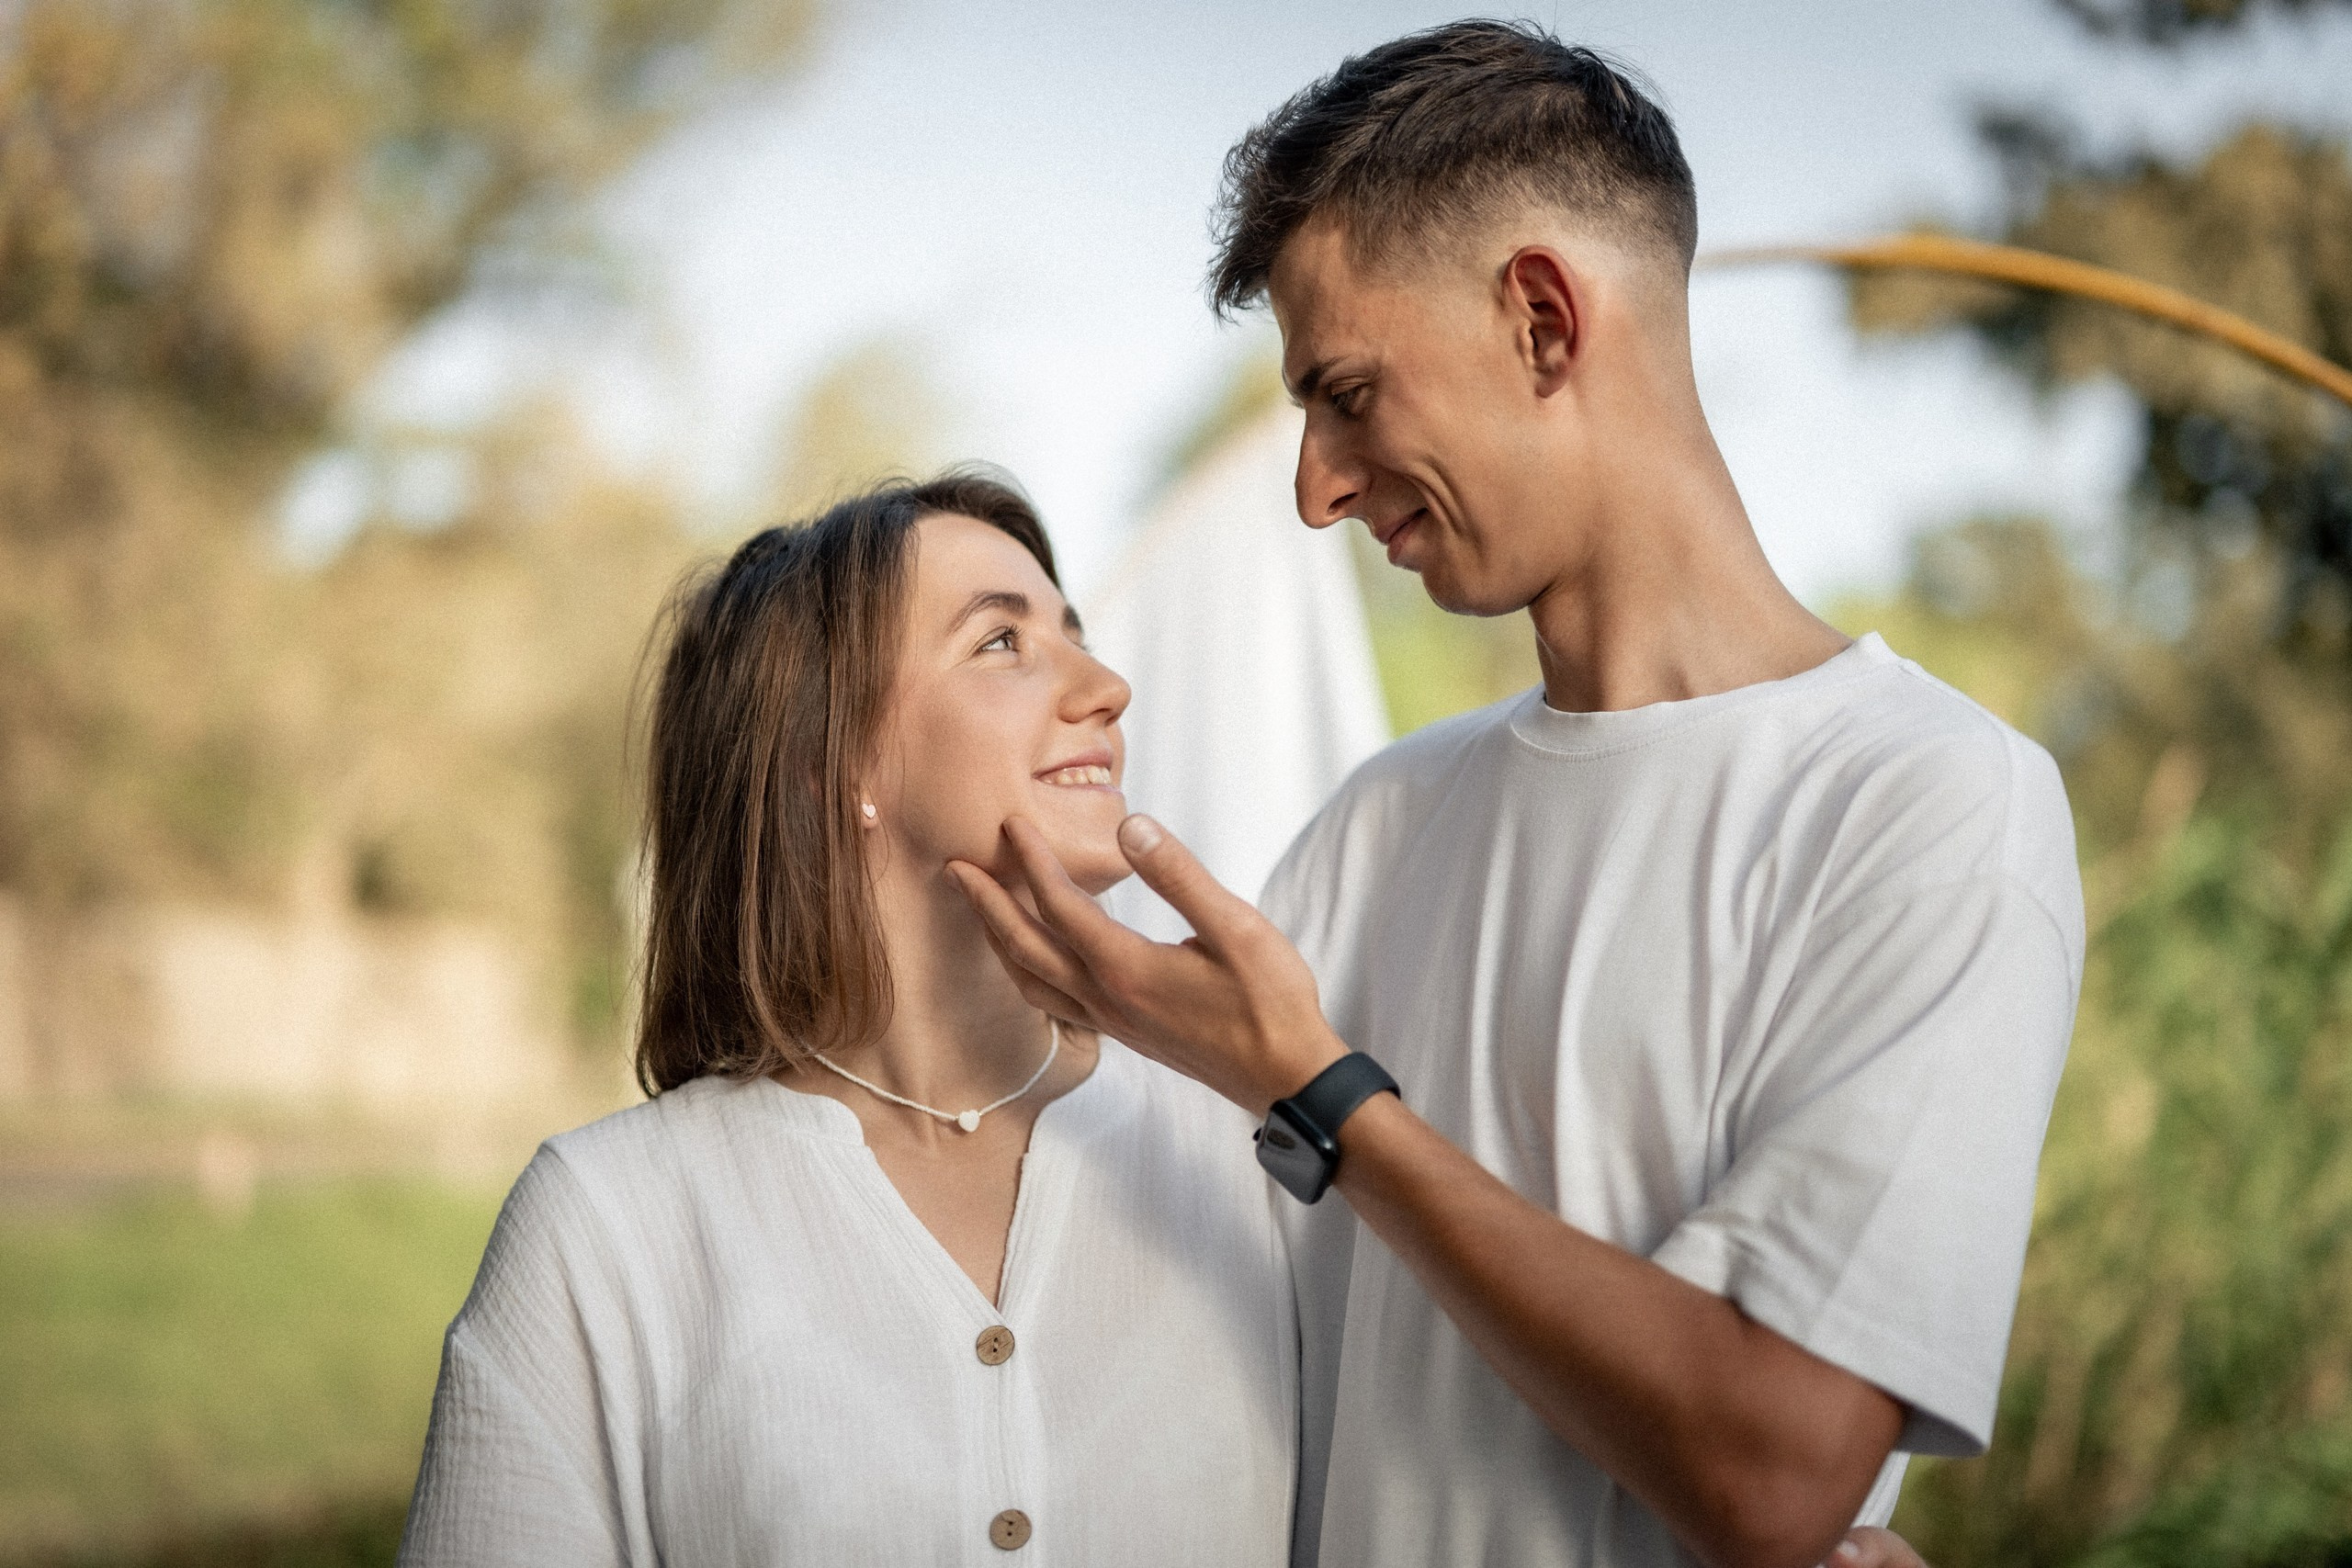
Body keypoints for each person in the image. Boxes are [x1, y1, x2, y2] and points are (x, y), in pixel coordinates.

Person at [949, 22, 2082, 1568]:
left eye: (1346, 392)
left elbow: (1776, 1470)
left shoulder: (1930, 808)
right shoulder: (1375, 825)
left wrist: (1327, 1093)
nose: (1314, 487)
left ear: (1544, 320)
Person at [397, 475, 1296, 1566]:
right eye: (1002, 642)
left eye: (1075, 634)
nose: (1105, 686)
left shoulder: (1243, 1154)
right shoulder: (609, 1228)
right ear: (840, 759)